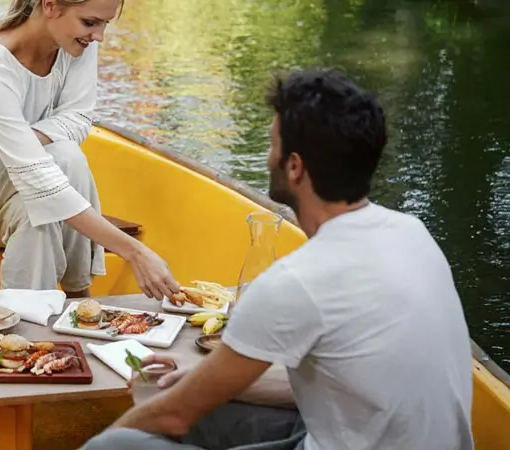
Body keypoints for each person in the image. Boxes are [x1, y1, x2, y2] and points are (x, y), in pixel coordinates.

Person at [82, 68, 475, 450]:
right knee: (170, 393)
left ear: (294, 166)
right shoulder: (413, 235)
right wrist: (197, 377)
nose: (268, 156)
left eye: (272, 144)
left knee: (118, 441)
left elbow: (173, 417)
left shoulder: (296, 280)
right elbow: (335, 380)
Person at [0, 0, 180, 300]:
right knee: (64, 160)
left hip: (14, 188)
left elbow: (77, 119)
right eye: (90, 22)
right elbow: (36, 174)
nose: (99, 36)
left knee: (38, 212)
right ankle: (81, 297)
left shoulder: (77, 44)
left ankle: (28, 324)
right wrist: (135, 253)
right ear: (50, 6)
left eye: (104, 24)